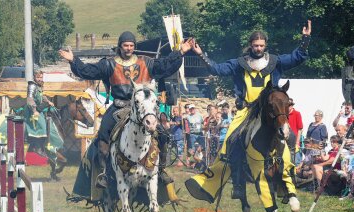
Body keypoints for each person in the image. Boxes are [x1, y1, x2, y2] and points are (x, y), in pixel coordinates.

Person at [188, 20, 311, 201]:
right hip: (246, 111)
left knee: (290, 136)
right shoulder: (240, 63)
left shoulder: (275, 61)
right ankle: (237, 183)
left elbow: (297, 57)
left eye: (261, 45)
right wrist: (201, 54)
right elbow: (217, 69)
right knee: (231, 141)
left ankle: (286, 181)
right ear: (250, 45)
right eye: (255, 45)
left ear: (265, 45)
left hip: (268, 112)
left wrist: (305, 39)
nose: (258, 48)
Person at [59, 31, 193, 198]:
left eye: (131, 46)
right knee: (103, 137)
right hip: (118, 107)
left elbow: (164, 66)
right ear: (120, 47)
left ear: (134, 47)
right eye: (125, 45)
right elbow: (89, 71)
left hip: (142, 108)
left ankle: (161, 170)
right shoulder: (108, 65)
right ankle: (105, 174)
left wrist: (179, 52)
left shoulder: (146, 62)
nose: (128, 48)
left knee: (163, 134)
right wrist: (73, 60)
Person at [24, 70, 55, 156]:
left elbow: (42, 96)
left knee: (45, 123)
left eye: (41, 77)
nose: (39, 79)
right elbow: (30, 99)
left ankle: (41, 147)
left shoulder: (39, 86)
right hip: (31, 110)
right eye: (38, 77)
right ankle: (37, 148)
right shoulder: (32, 86)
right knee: (41, 126)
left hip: (38, 109)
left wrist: (48, 102)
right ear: (34, 77)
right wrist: (34, 111)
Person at [288, 98, 303, 166]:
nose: (288, 106)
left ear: (292, 106)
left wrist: (297, 142)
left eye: (289, 105)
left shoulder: (297, 113)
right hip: (284, 140)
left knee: (294, 160)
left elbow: (300, 129)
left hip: (293, 140)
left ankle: (294, 174)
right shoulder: (283, 114)